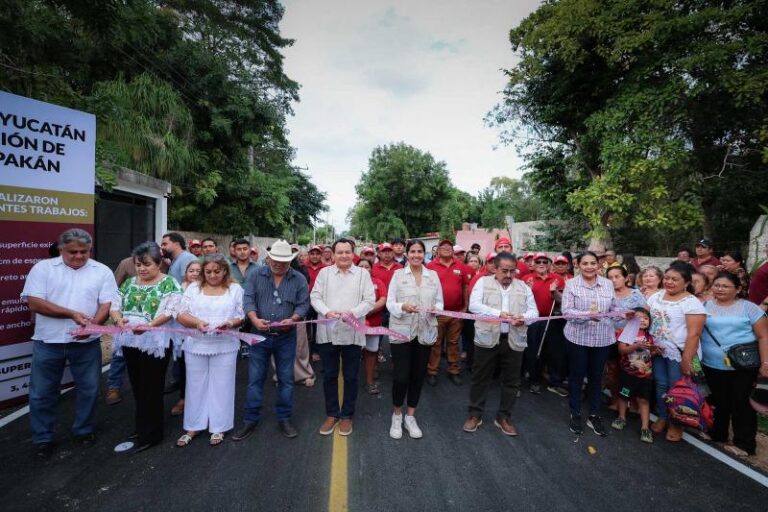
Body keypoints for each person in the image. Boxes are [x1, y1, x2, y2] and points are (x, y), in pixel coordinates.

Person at [21, 228, 118, 459]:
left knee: (89, 389)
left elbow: (106, 303)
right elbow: (34, 303)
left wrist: (92, 325)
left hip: (86, 343)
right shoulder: (43, 269)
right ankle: (43, 438)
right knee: (42, 393)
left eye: (84, 251)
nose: (79, 256)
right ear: (61, 248)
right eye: (72, 251)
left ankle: (83, 429)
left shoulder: (101, 271)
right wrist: (70, 314)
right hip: (49, 340)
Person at [232, 241, 309, 441]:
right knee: (255, 380)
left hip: (286, 337)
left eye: (283, 262)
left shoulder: (299, 279)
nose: (278, 264)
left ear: (290, 261)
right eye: (275, 260)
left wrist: (293, 319)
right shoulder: (256, 275)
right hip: (260, 336)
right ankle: (250, 419)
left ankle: (284, 418)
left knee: (286, 379)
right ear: (269, 258)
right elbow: (247, 300)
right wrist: (255, 319)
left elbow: (303, 304)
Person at [109, 242, 182, 452]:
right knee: (137, 385)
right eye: (138, 264)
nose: (141, 268)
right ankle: (142, 426)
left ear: (159, 264)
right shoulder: (130, 282)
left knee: (152, 387)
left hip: (154, 342)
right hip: (131, 340)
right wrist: (118, 320)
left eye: (147, 264)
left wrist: (149, 326)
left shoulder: (170, 283)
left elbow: (171, 311)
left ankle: (152, 434)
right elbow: (116, 304)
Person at [464, 252, 538, 436]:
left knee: (511, 381)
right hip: (486, 339)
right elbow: (474, 306)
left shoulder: (523, 287)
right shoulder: (483, 282)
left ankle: (503, 417)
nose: (509, 275)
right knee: (480, 378)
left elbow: (534, 312)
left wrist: (524, 318)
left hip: (513, 340)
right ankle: (475, 414)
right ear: (495, 269)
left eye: (512, 271)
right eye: (504, 270)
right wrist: (498, 313)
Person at [175, 255, 245, 447]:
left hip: (225, 344)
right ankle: (193, 425)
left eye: (217, 271)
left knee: (222, 385)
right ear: (203, 272)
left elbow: (241, 315)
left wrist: (230, 323)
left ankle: (219, 426)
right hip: (196, 344)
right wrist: (197, 323)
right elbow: (181, 314)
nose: (213, 275)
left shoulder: (235, 289)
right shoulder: (193, 288)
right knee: (195, 385)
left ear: (225, 271)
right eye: (208, 271)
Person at [310, 238, 375, 436]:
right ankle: (332, 414)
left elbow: (369, 300)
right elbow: (315, 297)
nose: (344, 255)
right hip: (328, 331)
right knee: (329, 375)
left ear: (353, 253)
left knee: (351, 376)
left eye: (348, 252)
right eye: (340, 252)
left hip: (352, 331)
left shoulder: (363, 274)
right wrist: (326, 311)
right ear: (333, 254)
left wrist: (353, 313)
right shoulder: (325, 273)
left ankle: (347, 415)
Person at [700, 272, 768, 456]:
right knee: (718, 400)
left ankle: (745, 444)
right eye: (716, 285)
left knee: (742, 402)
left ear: (738, 289)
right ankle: (717, 434)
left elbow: (763, 336)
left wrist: (765, 362)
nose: (719, 289)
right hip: (712, 363)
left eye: (725, 286)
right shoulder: (705, 305)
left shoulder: (750, 309)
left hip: (743, 365)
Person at [562, 251, 629, 437]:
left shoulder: (608, 284)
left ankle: (594, 414)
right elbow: (566, 312)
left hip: (602, 339)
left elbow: (614, 307)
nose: (590, 267)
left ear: (598, 265)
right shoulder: (571, 285)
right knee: (576, 376)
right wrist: (586, 316)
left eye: (593, 263)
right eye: (585, 263)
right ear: (578, 265)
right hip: (578, 338)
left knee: (596, 377)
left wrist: (623, 313)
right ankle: (575, 413)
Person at [386, 240, 443, 438]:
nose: (416, 255)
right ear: (407, 254)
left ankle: (410, 416)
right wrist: (402, 307)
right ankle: (397, 415)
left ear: (424, 254)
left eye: (420, 251)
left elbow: (440, 302)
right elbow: (390, 303)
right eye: (413, 251)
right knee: (401, 376)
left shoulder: (433, 276)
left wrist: (437, 310)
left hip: (425, 331)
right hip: (402, 332)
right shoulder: (398, 275)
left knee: (418, 376)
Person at [647, 263, 706, 441]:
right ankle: (663, 417)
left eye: (675, 279)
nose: (669, 282)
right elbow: (647, 320)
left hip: (679, 354)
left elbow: (694, 334)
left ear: (686, 282)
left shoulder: (691, 303)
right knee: (661, 384)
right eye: (667, 278)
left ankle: (676, 424)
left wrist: (687, 359)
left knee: (677, 389)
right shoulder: (655, 297)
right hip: (658, 351)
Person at [611, 308, 659, 443]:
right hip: (628, 374)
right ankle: (621, 417)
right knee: (623, 395)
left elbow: (649, 355)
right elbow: (622, 350)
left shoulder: (650, 336)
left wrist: (656, 351)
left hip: (646, 376)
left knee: (644, 400)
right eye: (639, 318)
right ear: (631, 320)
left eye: (645, 318)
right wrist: (636, 345)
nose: (642, 321)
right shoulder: (626, 333)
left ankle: (645, 427)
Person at [426, 240, 469, 386]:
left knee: (454, 343)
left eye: (449, 247)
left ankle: (454, 370)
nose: (446, 249)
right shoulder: (430, 266)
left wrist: (465, 307)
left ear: (452, 250)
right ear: (437, 250)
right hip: (437, 313)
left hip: (456, 313)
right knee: (436, 343)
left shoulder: (460, 266)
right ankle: (432, 371)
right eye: (443, 247)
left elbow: (465, 287)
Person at [523, 253, 566, 394]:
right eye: (538, 261)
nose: (541, 263)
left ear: (549, 264)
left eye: (544, 261)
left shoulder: (558, 279)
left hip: (553, 320)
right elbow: (521, 302)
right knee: (534, 351)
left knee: (555, 352)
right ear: (533, 264)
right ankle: (534, 380)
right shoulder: (525, 279)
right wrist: (527, 291)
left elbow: (563, 302)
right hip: (534, 321)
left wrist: (554, 292)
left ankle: (555, 382)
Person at [160, 232, 198, 394]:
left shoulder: (187, 259)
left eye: (164, 244)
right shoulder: (175, 260)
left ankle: (185, 392)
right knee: (178, 354)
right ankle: (178, 382)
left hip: (185, 317)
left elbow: (189, 285)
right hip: (175, 318)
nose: (162, 247)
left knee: (184, 356)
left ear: (176, 244)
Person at [606, 266, 647, 409]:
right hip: (610, 338)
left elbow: (645, 313)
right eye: (610, 277)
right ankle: (616, 399)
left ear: (626, 278)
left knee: (632, 371)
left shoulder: (636, 294)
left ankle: (634, 402)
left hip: (632, 339)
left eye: (617, 276)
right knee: (612, 370)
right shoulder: (606, 295)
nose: (614, 280)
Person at [170, 260, 202, 417]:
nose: (195, 273)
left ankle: (199, 401)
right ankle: (183, 399)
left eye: (198, 270)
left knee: (199, 371)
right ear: (186, 273)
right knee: (183, 370)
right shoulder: (177, 288)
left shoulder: (206, 289)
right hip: (181, 336)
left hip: (201, 336)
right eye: (191, 270)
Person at [357, 259, 387, 395]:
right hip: (353, 325)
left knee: (371, 353)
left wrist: (367, 311)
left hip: (373, 324)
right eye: (360, 266)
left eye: (366, 266)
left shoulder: (378, 282)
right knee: (352, 354)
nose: (364, 268)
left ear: (371, 268)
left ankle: (369, 382)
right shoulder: (351, 282)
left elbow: (383, 299)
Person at [305, 245, 328, 361]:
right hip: (305, 302)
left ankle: (315, 351)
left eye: (317, 254)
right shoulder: (303, 267)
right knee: (304, 329)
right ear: (308, 255)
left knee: (318, 328)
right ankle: (305, 352)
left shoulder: (326, 269)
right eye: (312, 254)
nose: (314, 256)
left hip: (320, 303)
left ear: (321, 255)